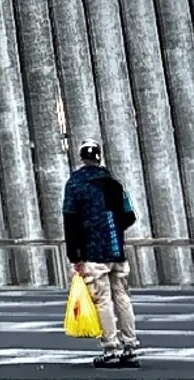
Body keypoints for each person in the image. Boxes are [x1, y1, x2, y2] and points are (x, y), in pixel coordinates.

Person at [61, 141, 142, 367]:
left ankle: (110, 348)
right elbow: (129, 216)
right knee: (123, 297)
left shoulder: (75, 184)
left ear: (81, 157)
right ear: (99, 157)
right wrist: (112, 228)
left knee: (102, 300)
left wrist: (74, 256)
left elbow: (70, 220)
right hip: (116, 251)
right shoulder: (114, 184)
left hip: (93, 252)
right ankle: (130, 346)